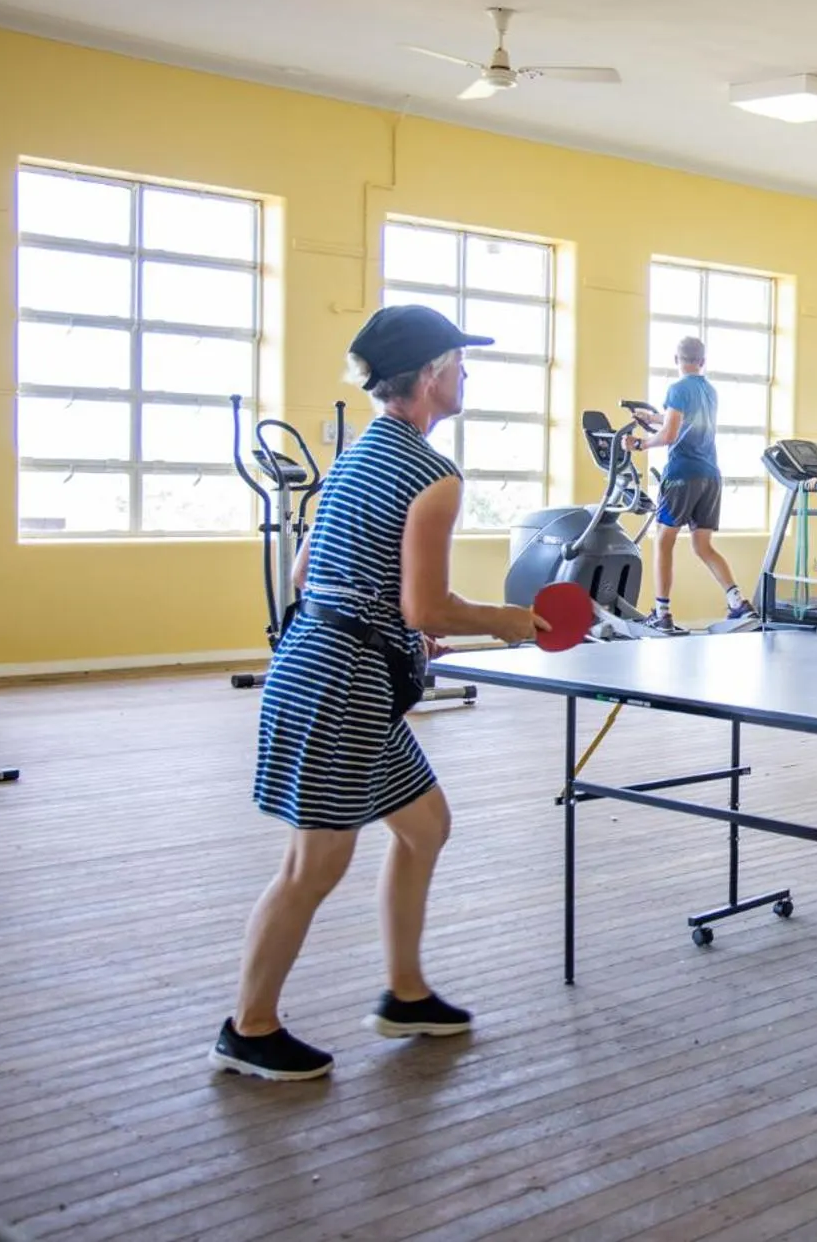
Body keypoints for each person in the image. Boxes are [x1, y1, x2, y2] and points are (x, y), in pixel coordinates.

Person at [210, 305, 549, 1082]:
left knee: (424, 826)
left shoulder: (362, 454)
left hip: (336, 664)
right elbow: (425, 608)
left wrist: (396, 623)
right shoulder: (433, 475)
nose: (468, 375)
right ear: (431, 375)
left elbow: (308, 577)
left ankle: (406, 993)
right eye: (461, 362)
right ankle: (247, 1028)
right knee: (313, 866)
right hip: (339, 682)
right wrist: (506, 620)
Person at [627, 336, 756, 631]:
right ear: (703, 361)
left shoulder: (677, 389)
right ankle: (738, 602)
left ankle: (662, 612)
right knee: (702, 545)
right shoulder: (709, 391)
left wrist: (640, 444)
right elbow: (681, 421)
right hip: (710, 475)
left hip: (682, 473)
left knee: (663, 540)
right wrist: (652, 417)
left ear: (676, 359)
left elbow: (671, 435)